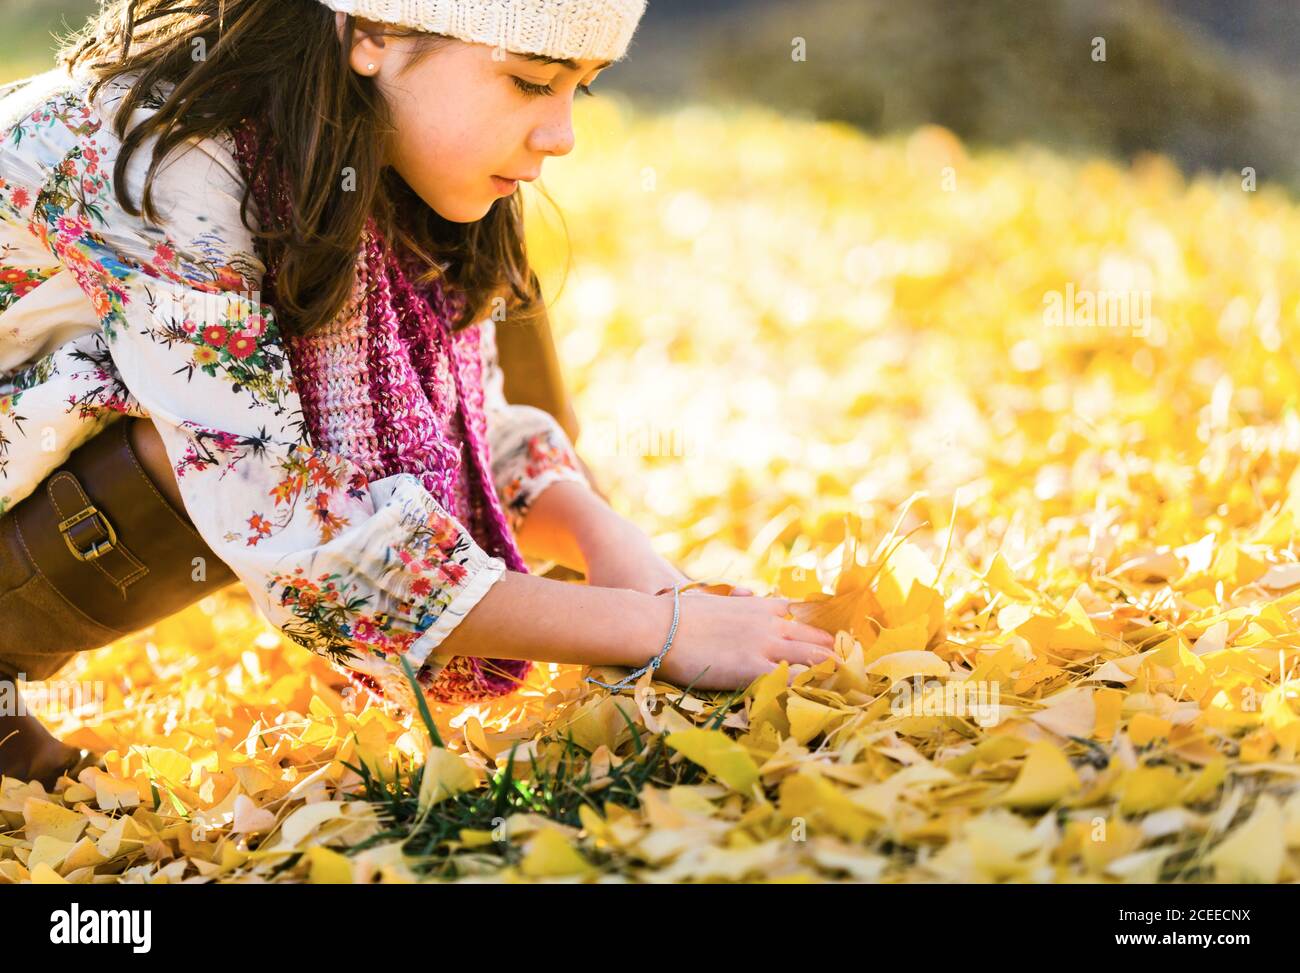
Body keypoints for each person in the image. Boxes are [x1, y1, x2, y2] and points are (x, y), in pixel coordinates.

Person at [0, 0, 835, 786]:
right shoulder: (173, 166)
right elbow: (288, 522)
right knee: (236, 427)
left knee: (503, 294)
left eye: (583, 85)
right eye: (530, 80)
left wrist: (613, 549)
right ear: (375, 32)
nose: (563, 133)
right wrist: (658, 631)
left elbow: (459, 426)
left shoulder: (358, 146)